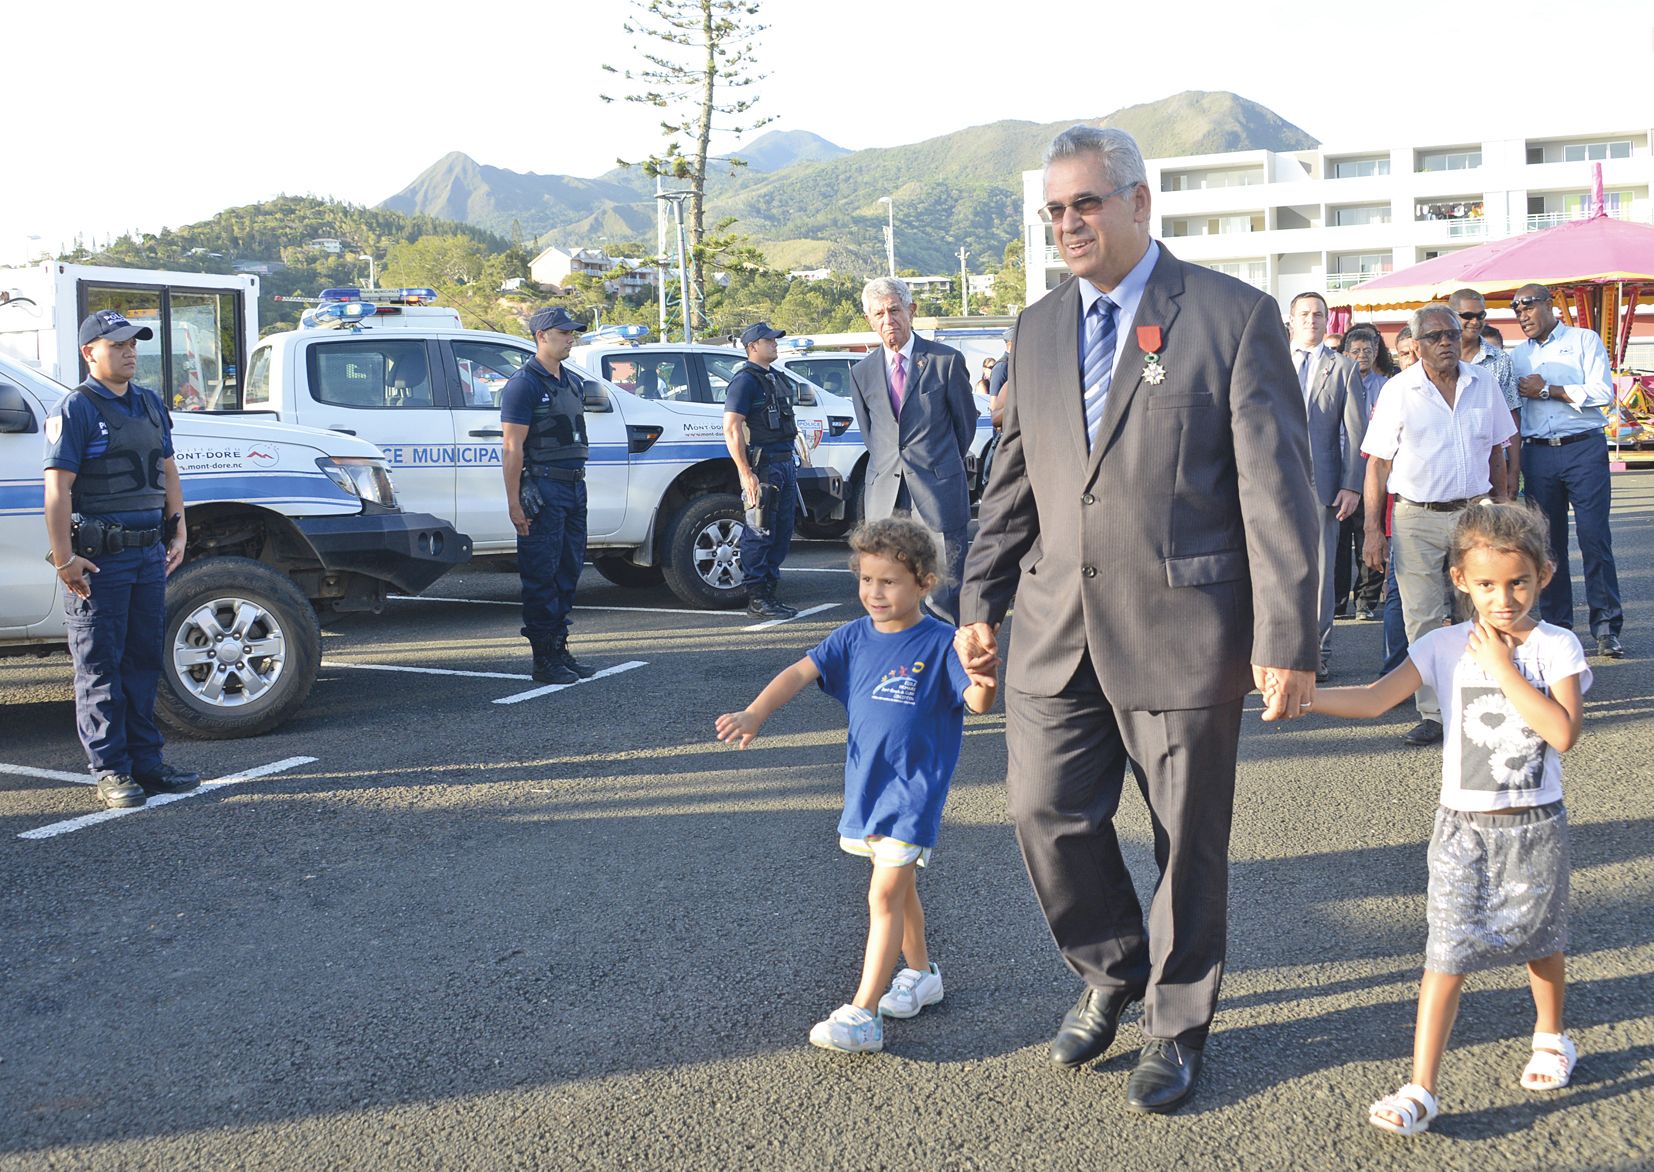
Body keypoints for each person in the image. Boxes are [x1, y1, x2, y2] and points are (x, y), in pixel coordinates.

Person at [956, 125, 1322, 1114]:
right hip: (1051, 624)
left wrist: (1288, 640)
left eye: (1086, 203)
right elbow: (1010, 481)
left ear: (1137, 202)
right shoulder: (1035, 330)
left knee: (1184, 839)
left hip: (1182, 629)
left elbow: (1277, 496)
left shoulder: (1229, 317)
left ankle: (1175, 1019)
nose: (1069, 223)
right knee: (1042, 810)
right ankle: (1113, 964)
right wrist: (977, 599)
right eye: (1056, 210)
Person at [1299, 501, 1587, 1137]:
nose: (1503, 597)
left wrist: (1503, 670)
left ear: (1545, 573)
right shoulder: (1441, 644)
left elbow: (1562, 733)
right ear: (1460, 580)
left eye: (1518, 582)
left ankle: (1551, 1036)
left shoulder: (1555, 647)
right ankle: (1422, 1087)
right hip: (1460, 827)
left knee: (1541, 936)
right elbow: (1377, 700)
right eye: (1486, 584)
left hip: (1534, 824)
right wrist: (1306, 698)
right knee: (1445, 950)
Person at [714, 517, 996, 1053]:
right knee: (899, 885)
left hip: (913, 788)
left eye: (888, 581)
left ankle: (864, 1013)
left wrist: (983, 676)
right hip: (866, 784)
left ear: (924, 583)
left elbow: (978, 704)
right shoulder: (851, 637)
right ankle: (922, 973)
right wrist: (755, 712)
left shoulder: (942, 642)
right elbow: (799, 673)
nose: (874, 592)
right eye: (866, 580)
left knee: (883, 892)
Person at [44, 310, 199, 810]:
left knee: (142, 661)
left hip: (147, 555)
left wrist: (178, 530)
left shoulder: (151, 404)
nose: (130, 351)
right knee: (99, 666)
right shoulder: (77, 409)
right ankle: (111, 770)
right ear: (90, 352)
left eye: (133, 344)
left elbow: (168, 471)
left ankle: (147, 764)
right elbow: (57, 490)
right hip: (99, 562)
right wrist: (64, 559)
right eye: (118, 345)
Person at [1361, 303, 1516, 746]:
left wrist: (1502, 508)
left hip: (1476, 514)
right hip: (1416, 517)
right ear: (1415, 345)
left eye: (1450, 333)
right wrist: (1374, 530)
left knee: (1481, 612)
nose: (1445, 341)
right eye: (1433, 337)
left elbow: (1497, 452)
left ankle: (1481, 701)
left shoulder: (1483, 383)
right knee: (1424, 619)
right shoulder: (1398, 390)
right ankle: (1435, 713)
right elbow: (1377, 465)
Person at [849, 278, 980, 624]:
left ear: (911, 311)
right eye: (879, 313)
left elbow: (963, 426)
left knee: (943, 591)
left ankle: (950, 666)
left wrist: (938, 464)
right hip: (885, 497)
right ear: (869, 320)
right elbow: (872, 435)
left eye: (894, 309)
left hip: (937, 490)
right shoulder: (861, 372)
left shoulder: (945, 361)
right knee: (889, 592)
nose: (888, 319)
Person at [1509, 284, 1624, 658]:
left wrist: (1549, 390)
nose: (1521, 315)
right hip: (1538, 454)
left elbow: (1602, 392)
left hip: (1583, 448)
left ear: (1549, 305)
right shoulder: (1516, 357)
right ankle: (1558, 627)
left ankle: (1606, 627)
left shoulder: (1583, 340)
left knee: (1594, 538)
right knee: (1548, 544)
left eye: (1527, 306)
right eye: (1515, 310)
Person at [501, 306, 597, 685]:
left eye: (572, 332)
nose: (571, 338)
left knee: (568, 570)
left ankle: (560, 649)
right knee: (541, 574)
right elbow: (512, 447)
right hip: (543, 487)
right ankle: (544, 659)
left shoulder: (570, 381)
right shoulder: (524, 384)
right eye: (563, 333)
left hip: (574, 486)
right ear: (542, 336)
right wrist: (514, 501)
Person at [1287, 291, 1368, 680]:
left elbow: (1355, 432)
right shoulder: (1268, 361)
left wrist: (1352, 486)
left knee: (1320, 570)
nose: (1311, 320)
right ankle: (1280, 648)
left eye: (1318, 314)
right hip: (1274, 483)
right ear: (1291, 319)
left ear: (1326, 321)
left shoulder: (1343, 368)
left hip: (1323, 484)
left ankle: (1318, 651)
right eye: (1304, 314)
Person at [723, 322, 801, 619]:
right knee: (760, 529)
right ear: (752, 346)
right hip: (764, 465)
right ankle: (756, 597)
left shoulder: (775, 378)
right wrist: (745, 472)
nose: (775, 344)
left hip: (784, 462)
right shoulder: (745, 381)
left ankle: (770, 593)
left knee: (781, 531)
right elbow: (731, 428)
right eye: (768, 340)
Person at [1335, 325, 1390, 622]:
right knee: (1339, 540)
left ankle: (1366, 601)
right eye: (1355, 352)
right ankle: (1338, 601)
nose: (1361, 356)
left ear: (1376, 352)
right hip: (1343, 468)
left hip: (1375, 466)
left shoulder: (1385, 386)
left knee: (1370, 532)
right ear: (1345, 354)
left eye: (1367, 351)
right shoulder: (1336, 381)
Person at [1450, 288, 1520, 492]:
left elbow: (1512, 417)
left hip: (1492, 463)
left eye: (1481, 315)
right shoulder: (1436, 359)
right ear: (1452, 316)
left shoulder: (1501, 360)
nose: (1475, 321)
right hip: (1447, 465)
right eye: (1468, 316)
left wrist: (1514, 471)